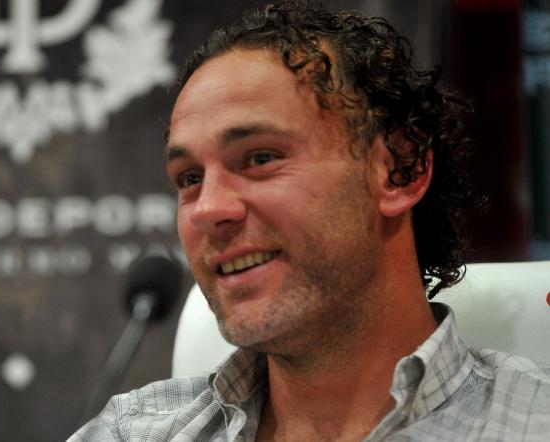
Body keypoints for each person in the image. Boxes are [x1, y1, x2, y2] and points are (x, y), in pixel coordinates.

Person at [70, 1, 550, 440]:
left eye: (260, 158)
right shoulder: (130, 433)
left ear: (399, 170)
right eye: (190, 178)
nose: (209, 209)